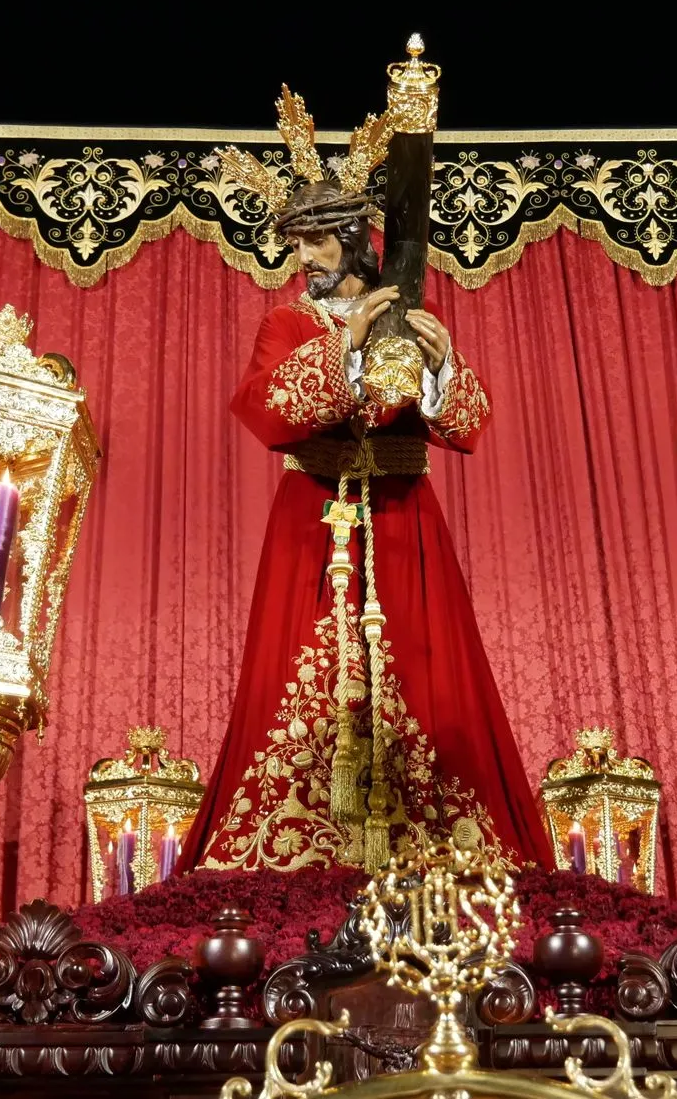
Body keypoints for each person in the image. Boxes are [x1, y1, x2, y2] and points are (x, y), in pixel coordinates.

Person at [183, 177, 553, 871]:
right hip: (314, 517)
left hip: (402, 515)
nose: (305, 258)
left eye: (317, 240)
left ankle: (432, 846)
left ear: (354, 238)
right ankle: (299, 844)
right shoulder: (288, 322)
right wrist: (345, 347)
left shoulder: (414, 310)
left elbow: (467, 423)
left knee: (425, 665)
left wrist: (442, 366)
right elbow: (266, 408)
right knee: (298, 664)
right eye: (297, 242)